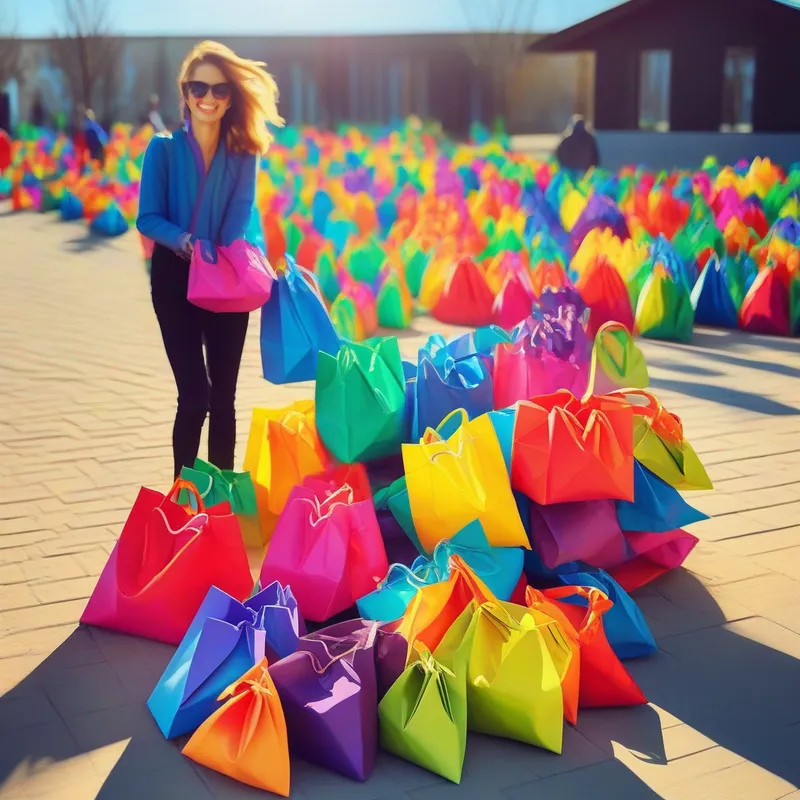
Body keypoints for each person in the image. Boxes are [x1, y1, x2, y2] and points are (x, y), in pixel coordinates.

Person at [136, 40, 283, 479]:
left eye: (220, 90)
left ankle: (221, 502)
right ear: (185, 92)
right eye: (199, 87)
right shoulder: (162, 150)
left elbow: (239, 218)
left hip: (224, 279)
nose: (209, 98)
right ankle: (185, 495)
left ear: (231, 97)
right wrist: (184, 241)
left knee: (224, 399)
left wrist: (255, 263)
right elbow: (148, 217)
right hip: (174, 278)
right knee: (195, 395)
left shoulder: (243, 154)